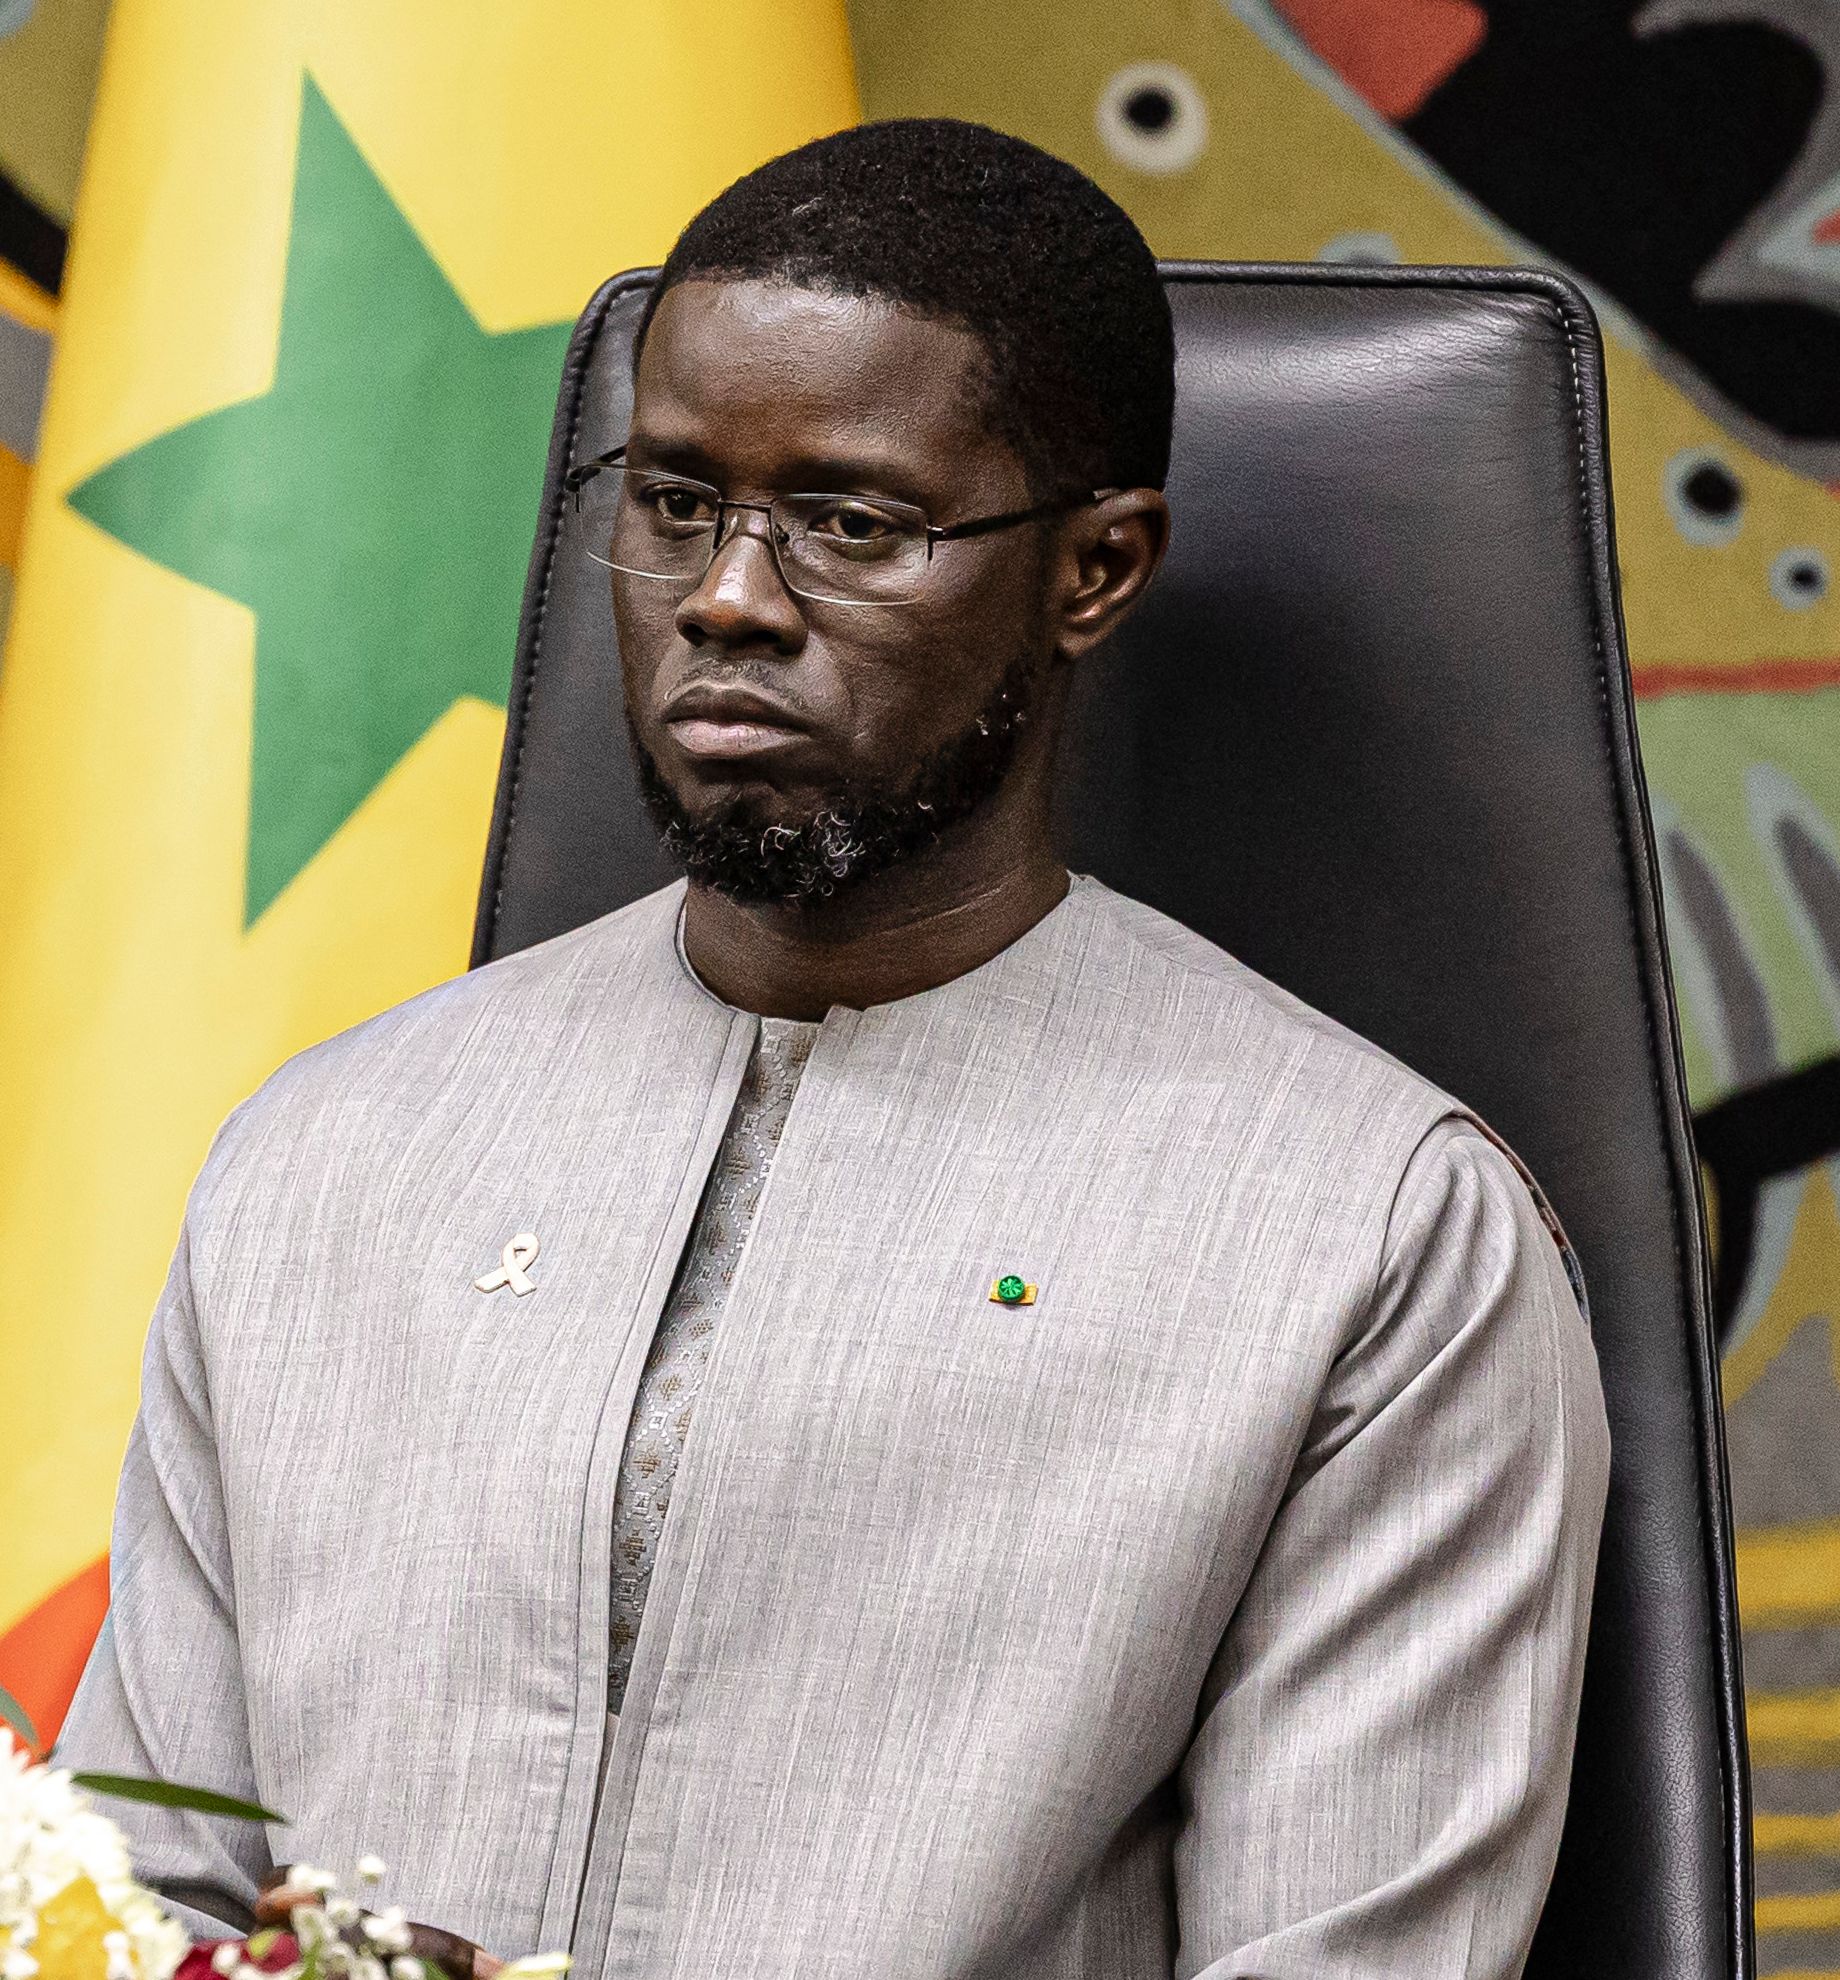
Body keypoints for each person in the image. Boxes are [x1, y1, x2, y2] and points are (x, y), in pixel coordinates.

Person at [59, 118, 1609, 1979]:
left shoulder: (1376, 1238)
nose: (727, 596)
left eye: (855, 525)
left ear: (1097, 570)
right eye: (675, 501)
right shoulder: (324, 1160)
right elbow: (135, 1909)